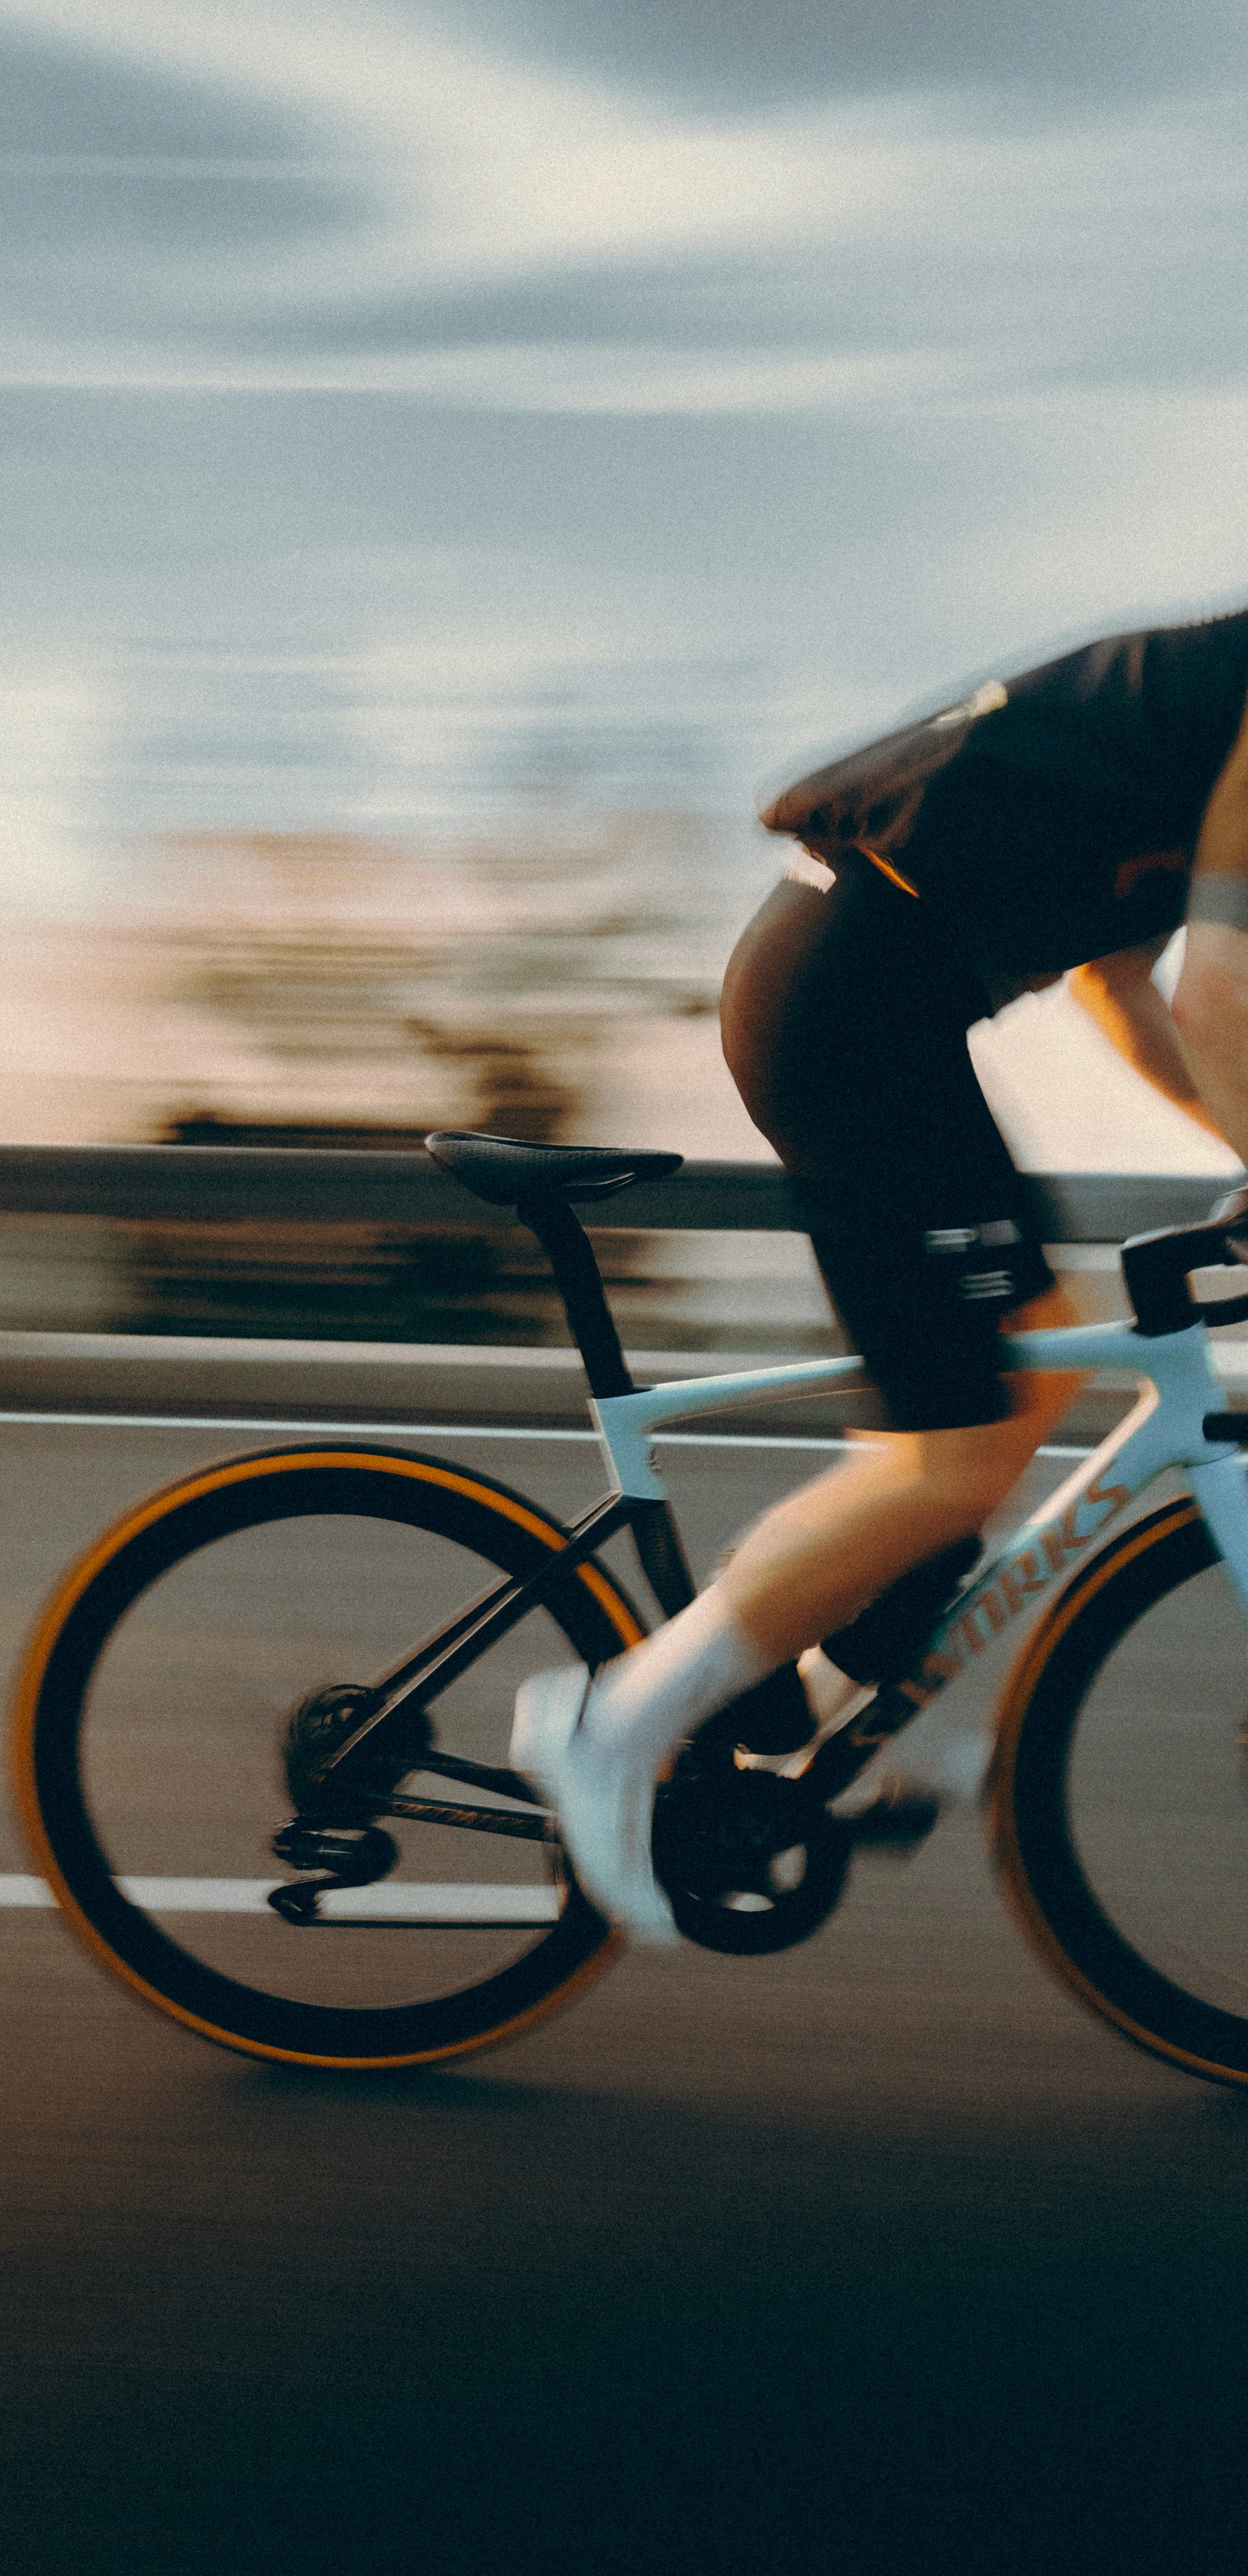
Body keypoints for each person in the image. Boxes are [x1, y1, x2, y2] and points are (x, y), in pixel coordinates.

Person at [512, 607, 1248, 1940]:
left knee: (1020, 1387)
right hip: (853, 1008)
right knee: (946, 1454)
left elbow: (1127, 999)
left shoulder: (1199, 718)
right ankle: (611, 1726)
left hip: (869, 1001)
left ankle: (787, 1715)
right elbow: (1218, 999)